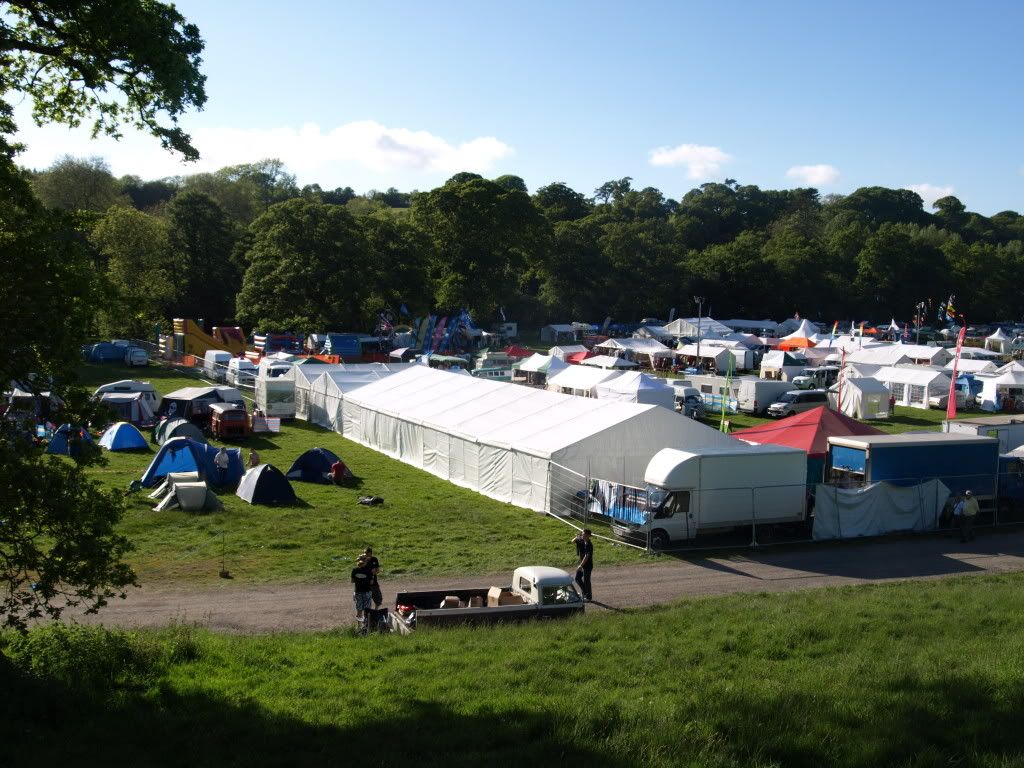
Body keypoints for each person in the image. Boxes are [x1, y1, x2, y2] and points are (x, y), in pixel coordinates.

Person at [350, 555, 374, 632]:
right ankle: (366, 626)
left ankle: (359, 627)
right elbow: (371, 582)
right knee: (367, 610)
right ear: (366, 562)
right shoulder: (369, 571)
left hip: (358, 592)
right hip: (367, 591)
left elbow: (352, 581)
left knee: (359, 610)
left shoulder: (354, 570)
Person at [572, 529, 594, 602]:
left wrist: (581, 566)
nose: (583, 535)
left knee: (586, 581)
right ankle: (585, 593)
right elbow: (572, 541)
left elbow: (587, 556)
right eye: (582, 534)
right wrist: (577, 537)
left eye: (584, 534)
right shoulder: (581, 541)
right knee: (577, 578)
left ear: (588, 536)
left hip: (587, 565)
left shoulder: (589, 545)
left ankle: (588, 597)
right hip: (582, 564)